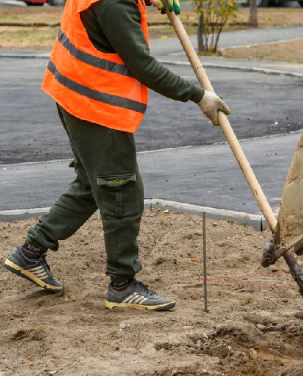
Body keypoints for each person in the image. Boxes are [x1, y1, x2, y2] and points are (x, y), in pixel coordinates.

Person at [3, 0, 228, 311]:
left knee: (91, 182)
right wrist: (198, 96)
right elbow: (143, 66)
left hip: (73, 91)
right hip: (96, 104)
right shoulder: (115, 5)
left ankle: (30, 252)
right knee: (122, 189)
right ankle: (122, 285)